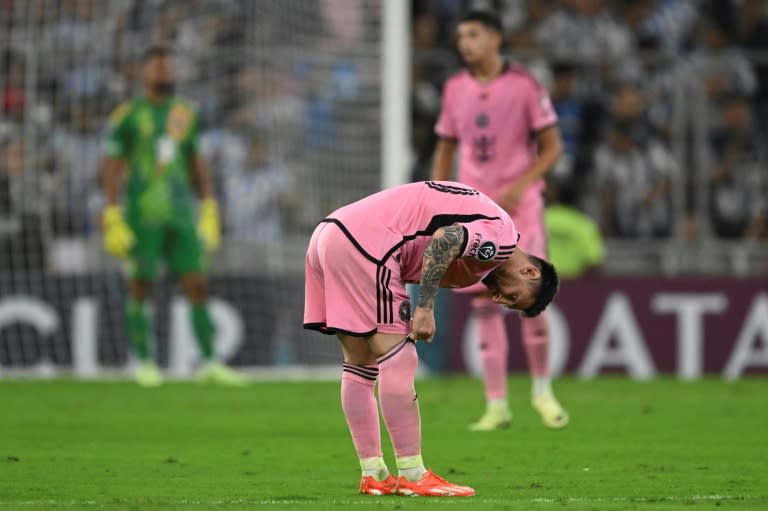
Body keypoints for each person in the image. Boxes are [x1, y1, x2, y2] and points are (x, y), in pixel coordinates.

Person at [303, 180, 559, 496]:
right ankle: (412, 473)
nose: (500, 300)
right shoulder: (501, 240)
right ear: (530, 273)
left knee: (360, 362)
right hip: (369, 244)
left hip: (330, 234)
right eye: (514, 297)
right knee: (399, 356)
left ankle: (373, 473)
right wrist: (424, 306)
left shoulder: (486, 242)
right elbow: (446, 238)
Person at [430, 11, 567, 431]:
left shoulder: (524, 85)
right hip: (476, 207)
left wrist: (522, 184)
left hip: (521, 205)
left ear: (495, 38)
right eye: (459, 36)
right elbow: (446, 147)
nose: (464, 43)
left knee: (529, 287)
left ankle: (543, 391)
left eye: (473, 34)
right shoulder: (454, 89)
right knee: (482, 301)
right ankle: (496, 404)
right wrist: (439, 194)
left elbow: (552, 148)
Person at [101, 46, 245, 387]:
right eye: (157, 68)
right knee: (141, 284)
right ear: (144, 72)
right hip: (143, 215)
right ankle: (144, 362)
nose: (164, 74)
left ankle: (210, 361)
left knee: (196, 283)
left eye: (168, 68)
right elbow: (112, 166)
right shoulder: (128, 116)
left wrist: (209, 205)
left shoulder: (185, 113)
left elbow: (196, 160)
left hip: (181, 214)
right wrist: (112, 212)